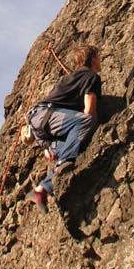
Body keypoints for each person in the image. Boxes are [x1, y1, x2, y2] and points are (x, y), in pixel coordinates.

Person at [27, 43, 102, 214]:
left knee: (71, 146)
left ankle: (41, 190)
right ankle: (62, 164)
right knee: (86, 121)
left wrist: (45, 145)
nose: (100, 61)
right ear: (93, 59)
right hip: (47, 115)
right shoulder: (91, 77)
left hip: (38, 120)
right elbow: (89, 111)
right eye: (98, 57)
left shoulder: (67, 79)